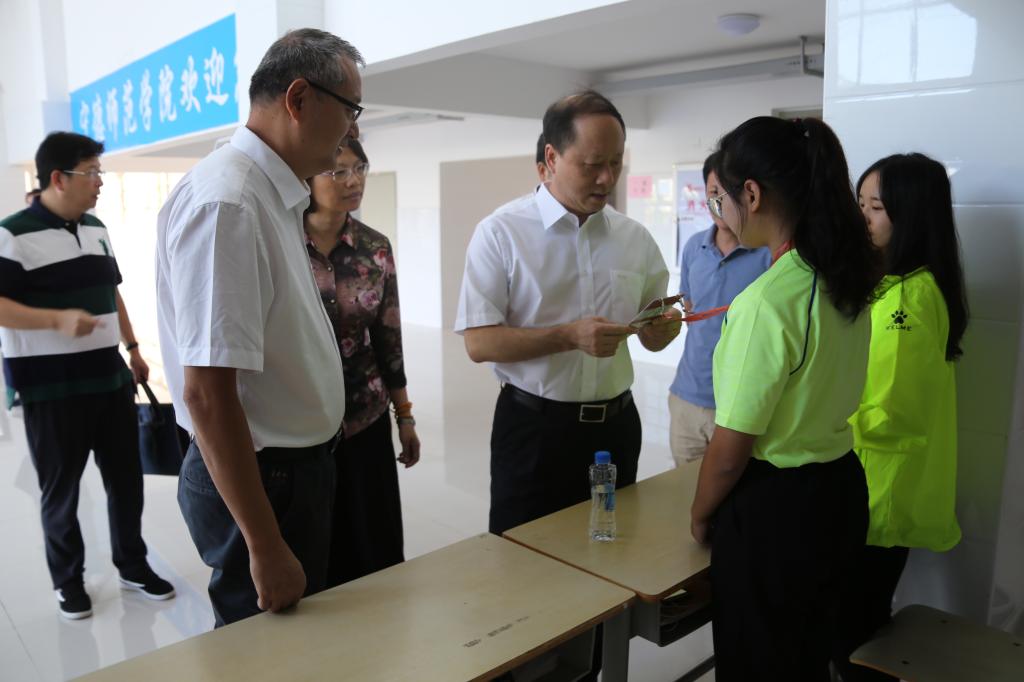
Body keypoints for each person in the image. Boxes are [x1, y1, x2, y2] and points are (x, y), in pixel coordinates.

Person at [156, 29, 363, 627]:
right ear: (299, 99)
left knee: (301, 643)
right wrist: (265, 545)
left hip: (288, 473)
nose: (353, 128)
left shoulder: (270, 193)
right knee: (267, 652)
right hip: (266, 482)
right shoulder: (230, 203)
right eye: (350, 109)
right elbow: (206, 392)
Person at [689, 116, 881, 681]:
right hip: (840, 488)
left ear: (751, 195)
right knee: (806, 655)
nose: (719, 211)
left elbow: (731, 451)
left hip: (777, 512)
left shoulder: (767, 302)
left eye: (721, 198)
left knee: (759, 664)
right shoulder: (844, 280)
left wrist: (700, 514)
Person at [456, 89, 681, 537]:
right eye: (592, 164)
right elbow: (479, 343)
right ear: (551, 158)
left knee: (611, 549)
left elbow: (653, 328)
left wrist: (661, 331)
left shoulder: (633, 238)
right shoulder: (501, 233)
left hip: (616, 429)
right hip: (534, 431)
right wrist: (568, 336)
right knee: (525, 554)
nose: (607, 178)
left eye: (615, 162)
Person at [0, 132, 174, 620]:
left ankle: (132, 564)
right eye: (92, 172)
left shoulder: (97, 228)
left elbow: (111, 293)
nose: (100, 182)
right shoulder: (13, 234)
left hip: (109, 379)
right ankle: (67, 580)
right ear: (58, 178)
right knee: (62, 491)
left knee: (127, 481)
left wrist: (133, 349)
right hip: (51, 390)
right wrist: (55, 320)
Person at [834, 153, 968, 681]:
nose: (862, 218)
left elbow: (890, 411)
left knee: (856, 637)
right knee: (862, 627)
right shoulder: (904, 285)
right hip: (879, 485)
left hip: (877, 489)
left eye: (876, 208)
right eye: (860, 204)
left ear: (910, 215)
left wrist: (819, 425)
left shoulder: (906, 299)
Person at [304, 139, 420, 588]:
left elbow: (389, 337)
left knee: (375, 540)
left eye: (360, 168)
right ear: (308, 180)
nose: (353, 181)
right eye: (338, 171)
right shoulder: (282, 245)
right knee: (318, 544)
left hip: (364, 417)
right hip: (303, 423)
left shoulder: (375, 248)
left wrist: (404, 416)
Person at [668, 151, 770, 479]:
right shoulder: (693, 247)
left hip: (739, 405)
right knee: (683, 489)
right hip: (686, 396)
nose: (721, 202)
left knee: (736, 495)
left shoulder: (768, 255)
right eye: (714, 192)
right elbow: (690, 308)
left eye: (728, 192)